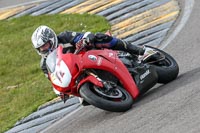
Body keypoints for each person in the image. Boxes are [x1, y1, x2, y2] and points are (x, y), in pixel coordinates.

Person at [31, 25, 145, 79]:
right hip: (76, 73)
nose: (44, 49)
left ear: (52, 39)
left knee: (100, 37)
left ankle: (137, 50)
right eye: (41, 48)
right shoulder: (44, 64)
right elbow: (54, 80)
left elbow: (83, 36)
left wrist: (87, 38)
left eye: (45, 45)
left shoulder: (64, 37)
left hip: (88, 55)